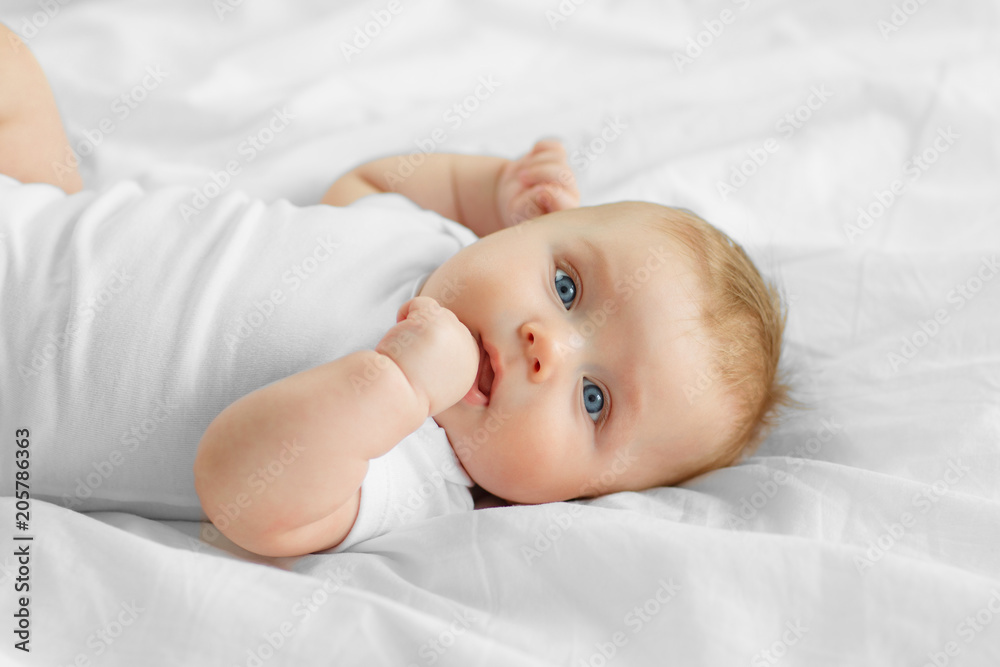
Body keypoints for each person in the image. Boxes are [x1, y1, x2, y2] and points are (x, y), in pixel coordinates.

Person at [0, 23, 792, 559]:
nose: (548, 344)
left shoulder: (408, 471)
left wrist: (399, 383)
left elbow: (240, 489)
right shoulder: (439, 250)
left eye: (594, 401)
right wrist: (493, 191)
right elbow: (366, 181)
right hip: (50, 215)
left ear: (563, 499)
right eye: (566, 283)